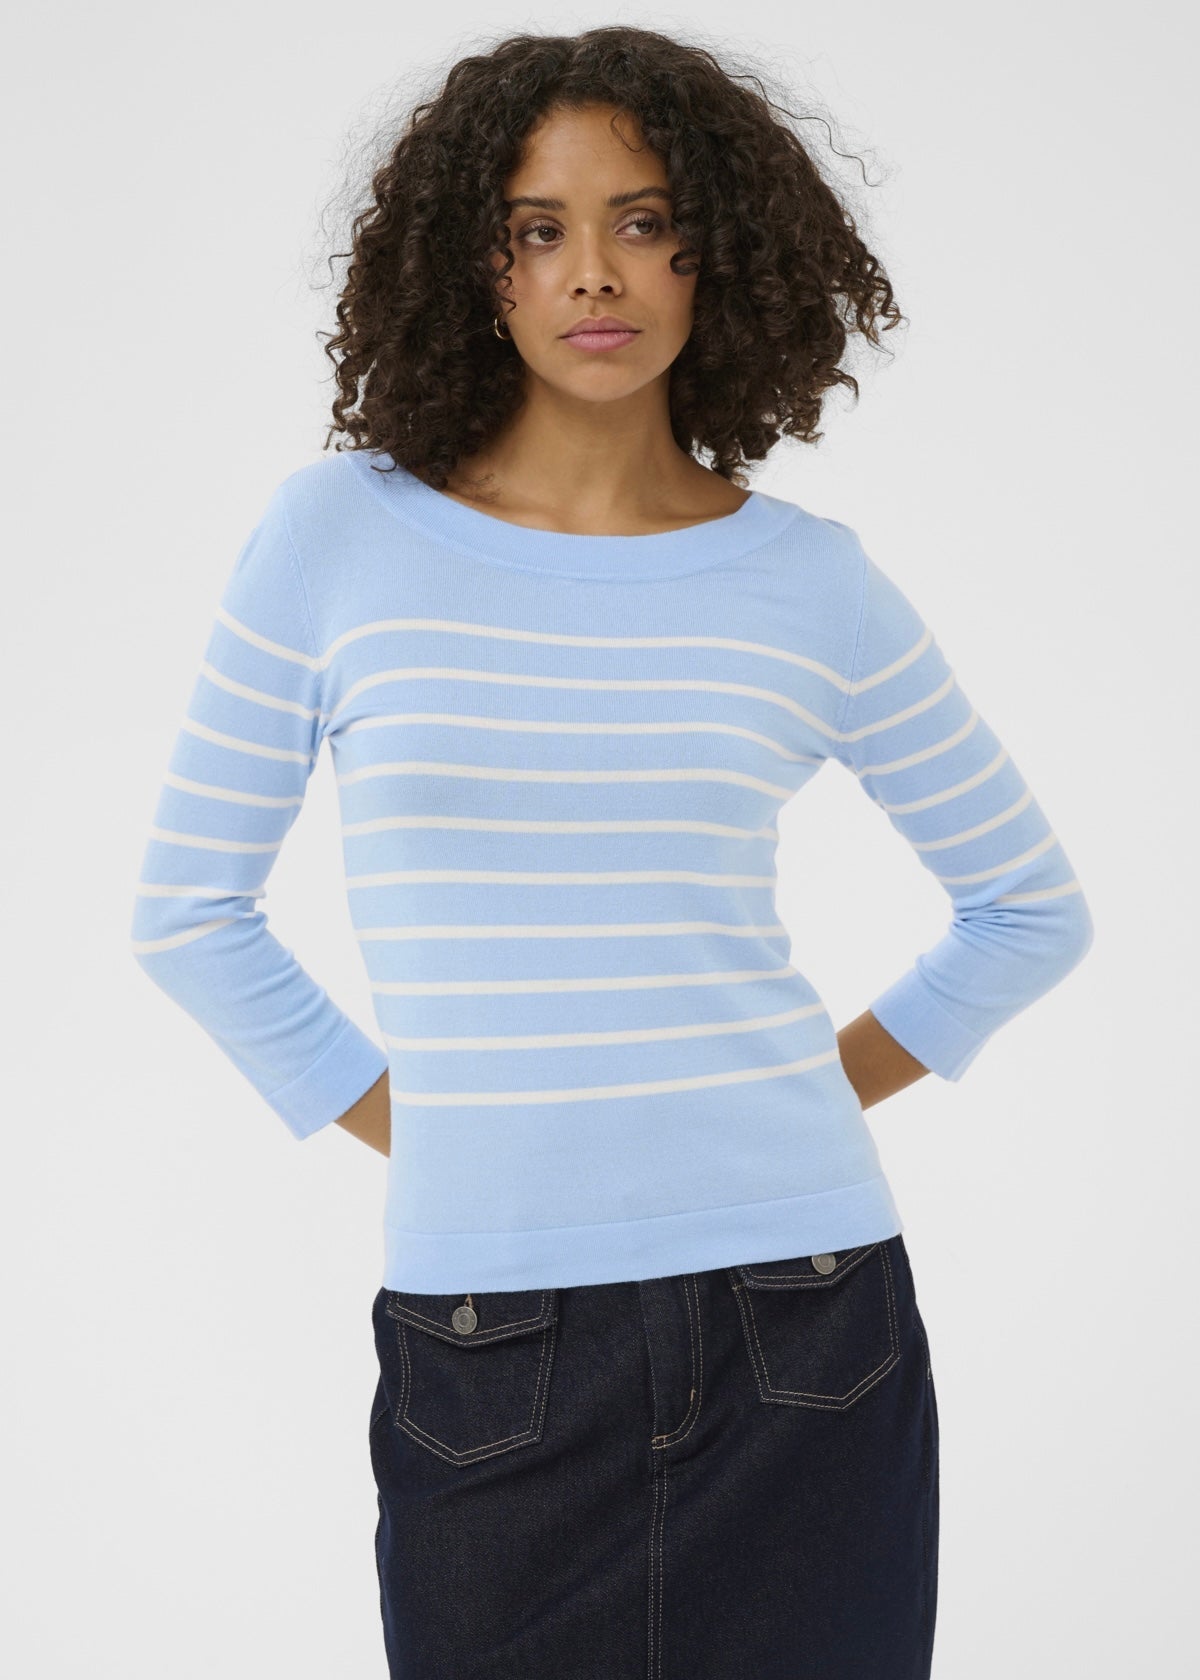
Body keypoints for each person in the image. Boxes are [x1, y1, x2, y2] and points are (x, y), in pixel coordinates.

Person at [129, 25, 1095, 1679]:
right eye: (540, 229)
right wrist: (447, 1128)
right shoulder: (336, 538)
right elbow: (187, 914)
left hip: (810, 1320)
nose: (596, 273)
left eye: (648, 223)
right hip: (487, 1340)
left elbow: (1028, 908)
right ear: (476, 266)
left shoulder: (811, 581)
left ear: (723, 254)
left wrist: (789, 1096)